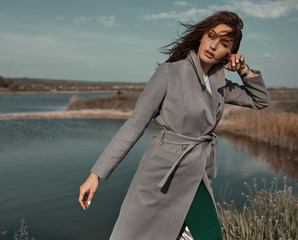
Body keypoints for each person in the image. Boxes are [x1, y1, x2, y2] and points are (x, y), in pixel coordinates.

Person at [78, 11, 270, 240]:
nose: (213, 45)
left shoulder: (220, 85)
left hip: (196, 174)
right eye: (211, 36)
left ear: (229, 53)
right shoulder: (168, 73)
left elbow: (260, 100)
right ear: (201, 36)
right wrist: (96, 174)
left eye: (223, 43)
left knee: (210, 236)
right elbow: (134, 125)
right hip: (161, 175)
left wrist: (243, 71)